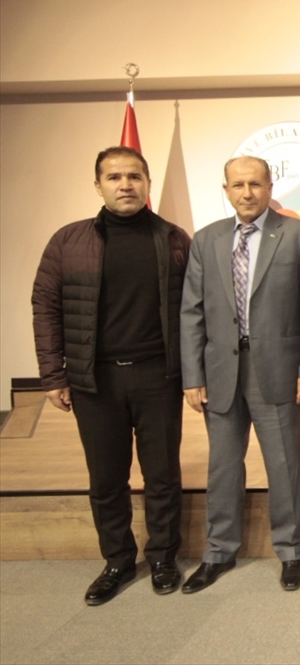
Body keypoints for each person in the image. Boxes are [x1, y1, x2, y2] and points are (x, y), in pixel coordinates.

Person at [31, 147, 190, 605]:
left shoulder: (174, 239)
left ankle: (163, 557)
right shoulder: (68, 241)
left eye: (134, 176)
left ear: (147, 184)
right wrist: (52, 375)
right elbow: (45, 308)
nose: (125, 185)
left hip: (158, 376)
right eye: (115, 177)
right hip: (95, 381)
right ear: (98, 184)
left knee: (162, 475)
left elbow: (195, 310)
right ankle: (118, 560)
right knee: (105, 479)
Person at [179, 156, 300, 594]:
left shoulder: (299, 235)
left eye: (255, 184)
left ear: (269, 187)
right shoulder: (206, 240)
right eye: (238, 185)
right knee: (222, 467)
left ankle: (291, 550)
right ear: (226, 190)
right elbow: (191, 313)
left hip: (278, 371)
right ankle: (218, 551)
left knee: (283, 464)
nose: (247, 193)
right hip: (220, 373)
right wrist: (192, 376)